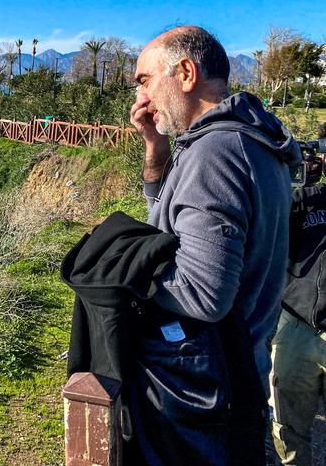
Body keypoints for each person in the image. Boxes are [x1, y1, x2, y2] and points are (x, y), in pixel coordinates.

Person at [128, 25, 300, 464]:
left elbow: (204, 294)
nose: (140, 99)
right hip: (238, 371)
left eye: (145, 81)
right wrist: (156, 151)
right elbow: (173, 221)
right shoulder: (250, 137)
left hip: (206, 391)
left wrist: (125, 275)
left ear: (185, 72)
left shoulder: (216, 153)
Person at [269, 128, 326, 466]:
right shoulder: (307, 198)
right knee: (287, 430)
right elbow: (270, 228)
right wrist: (297, 182)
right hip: (296, 324)